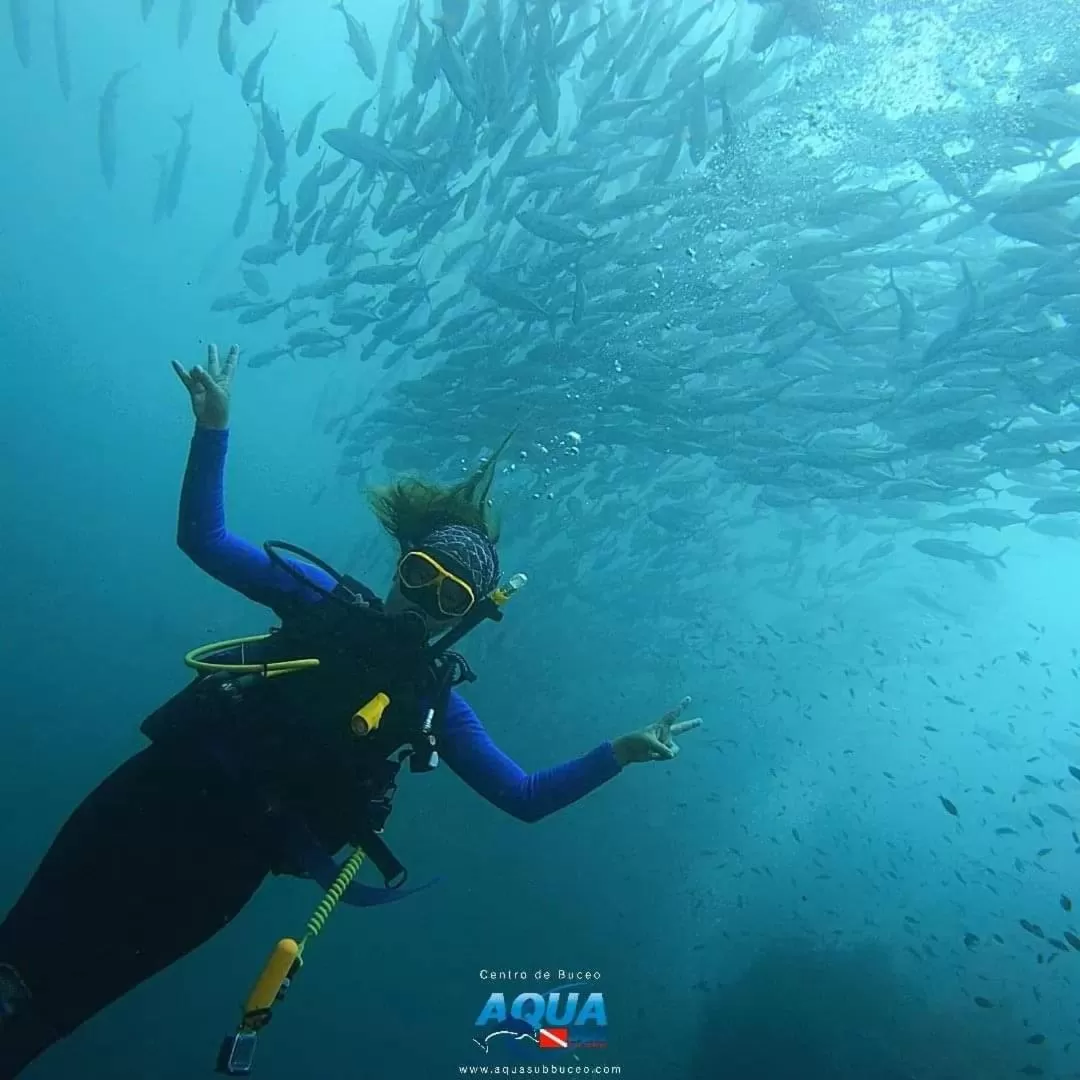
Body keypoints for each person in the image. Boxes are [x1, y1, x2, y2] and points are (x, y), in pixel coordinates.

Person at [0, 344, 702, 1077]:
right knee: (14, 949)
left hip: (222, 869)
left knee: (55, 1011)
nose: (423, 601)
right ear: (399, 563)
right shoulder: (319, 601)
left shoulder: (437, 704)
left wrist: (618, 752)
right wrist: (215, 428)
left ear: (465, 616)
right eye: (419, 575)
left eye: (449, 598)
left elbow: (522, 797)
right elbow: (204, 539)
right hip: (151, 796)